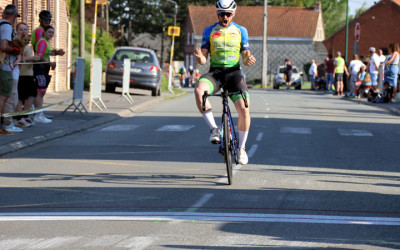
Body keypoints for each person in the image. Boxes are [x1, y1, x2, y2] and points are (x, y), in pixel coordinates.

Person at [193, 0, 256, 165]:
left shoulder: (241, 30)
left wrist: (248, 59)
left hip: (234, 73)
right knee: (199, 90)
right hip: (216, 73)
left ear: (234, 14)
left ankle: (241, 149)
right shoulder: (209, 31)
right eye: (222, 14)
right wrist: (200, 57)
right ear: (217, 14)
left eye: (228, 14)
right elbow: (203, 59)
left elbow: (245, 54)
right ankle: (214, 129)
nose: (225, 17)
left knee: (244, 108)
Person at [33, 25, 64, 123]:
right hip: (40, 68)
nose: (51, 34)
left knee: (42, 92)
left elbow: (47, 52)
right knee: (40, 92)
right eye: (49, 32)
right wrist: (50, 63)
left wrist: (56, 53)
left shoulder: (46, 42)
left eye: (52, 33)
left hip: (44, 68)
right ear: (44, 33)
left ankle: (40, 113)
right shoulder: (42, 41)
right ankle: (38, 115)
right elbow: (40, 55)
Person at [14, 22, 41, 127]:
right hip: (21, 74)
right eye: (21, 29)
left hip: (29, 73)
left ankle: (25, 116)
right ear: (17, 31)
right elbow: (17, 58)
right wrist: (32, 58)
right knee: (20, 97)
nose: (23, 32)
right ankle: (19, 118)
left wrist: (37, 59)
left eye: (25, 29)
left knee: (31, 95)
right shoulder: (17, 44)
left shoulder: (26, 44)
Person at [0, 5, 21, 135]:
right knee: (4, 96)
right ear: (13, 16)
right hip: (4, 65)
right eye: (15, 17)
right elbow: (3, 46)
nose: (15, 20)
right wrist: (15, 50)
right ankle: (1, 126)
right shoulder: (6, 27)